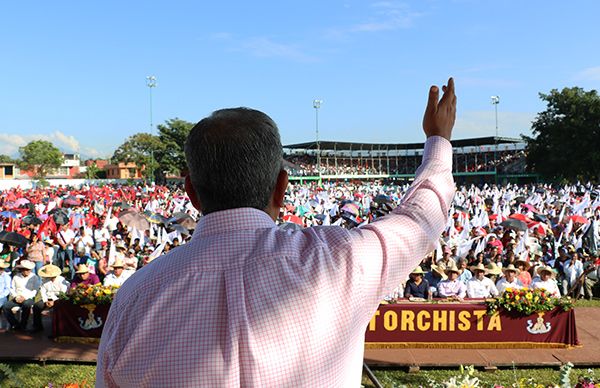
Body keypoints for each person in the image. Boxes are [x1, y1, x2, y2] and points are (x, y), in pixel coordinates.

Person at [96, 77, 457, 387]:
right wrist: (438, 140)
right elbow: (420, 219)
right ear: (281, 187)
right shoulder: (339, 259)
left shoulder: (136, 297)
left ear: (190, 192)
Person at [2, 260, 41, 331]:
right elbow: (12, 288)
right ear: (21, 269)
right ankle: (15, 324)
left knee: (27, 305)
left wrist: (25, 297)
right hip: (17, 297)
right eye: (25, 269)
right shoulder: (16, 277)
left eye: (28, 269)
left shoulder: (34, 277)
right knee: (5, 306)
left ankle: (23, 324)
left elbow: (35, 290)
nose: (27, 271)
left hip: (28, 298)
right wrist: (16, 296)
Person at [31, 264, 69, 332]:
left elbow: (62, 294)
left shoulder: (62, 281)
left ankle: (57, 329)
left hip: (59, 300)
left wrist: (54, 301)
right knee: (36, 306)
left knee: (58, 309)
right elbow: (43, 291)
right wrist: (45, 301)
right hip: (47, 299)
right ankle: (37, 326)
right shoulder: (45, 280)